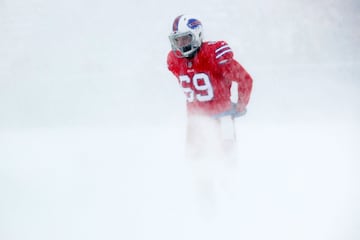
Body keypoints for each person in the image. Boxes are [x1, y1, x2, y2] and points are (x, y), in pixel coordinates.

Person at [167, 14, 253, 158]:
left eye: (185, 38)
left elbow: (245, 79)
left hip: (223, 117)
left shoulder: (213, 53)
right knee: (195, 166)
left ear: (197, 35)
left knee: (227, 163)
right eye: (177, 40)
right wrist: (240, 105)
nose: (181, 44)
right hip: (196, 121)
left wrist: (241, 104)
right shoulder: (174, 60)